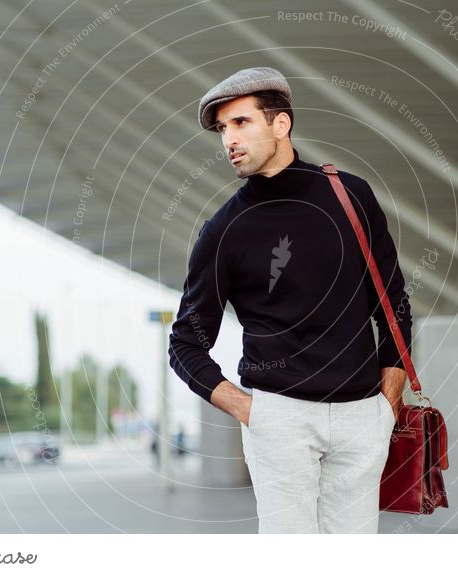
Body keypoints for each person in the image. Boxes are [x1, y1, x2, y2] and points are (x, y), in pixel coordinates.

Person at [168, 67, 412, 533]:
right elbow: (186, 344)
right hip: (280, 416)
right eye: (223, 129)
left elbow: (394, 302)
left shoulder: (350, 195)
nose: (228, 140)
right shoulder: (224, 231)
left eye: (242, 123)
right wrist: (248, 410)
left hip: (363, 413)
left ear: (281, 124)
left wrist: (391, 385)